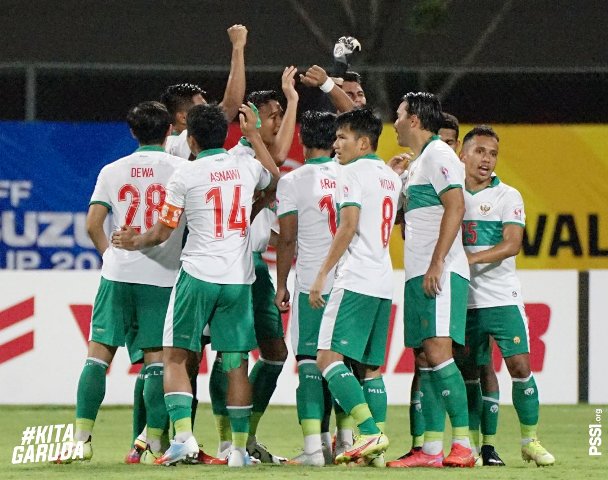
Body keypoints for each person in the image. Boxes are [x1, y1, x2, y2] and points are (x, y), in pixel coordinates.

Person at [112, 103, 280, 467]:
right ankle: (237, 451)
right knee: (235, 362)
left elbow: (163, 231)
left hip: (198, 275)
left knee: (175, 355)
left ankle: (184, 439)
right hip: (237, 279)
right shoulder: (247, 167)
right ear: (226, 135)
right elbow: (275, 176)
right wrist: (252, 136)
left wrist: (134, 241)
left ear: (191, 138)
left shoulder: (185, 175)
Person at [69, 101, 186, 463]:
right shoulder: (181, 169)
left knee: (97, 356)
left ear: (133, 132)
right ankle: (152, 445)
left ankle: (81, 440)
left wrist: (110, 256)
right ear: (169, 131)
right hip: (162, 277)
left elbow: (92, 224)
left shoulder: (112, 170)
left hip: (117, 274)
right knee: (156, 362)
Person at [208, 68, 299, 463]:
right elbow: (277, 158)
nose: (279, 123)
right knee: (230, 354)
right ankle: (227, 439)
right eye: (273, 114)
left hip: (257, 265)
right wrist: (294, 99)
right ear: (252, 119)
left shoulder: (254, 155)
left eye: (282, 114)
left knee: (275, 353)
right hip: (230, 265)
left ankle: (248, 437)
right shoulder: (238, 159)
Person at [459, 125, 555, 467]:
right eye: (481, 151)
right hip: (464, 299)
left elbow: (512, 244)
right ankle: (479, 447)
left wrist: (468, 258)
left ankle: (530, 440)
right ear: (463, 153)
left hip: (501, 296)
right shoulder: (450, 193)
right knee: (474, 372)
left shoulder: (507, 195)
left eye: (493, 153)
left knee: (519, 366)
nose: (487, 160)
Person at [309, 108, 400, 466]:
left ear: (363, 143)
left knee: (327, 359)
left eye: (342, 138)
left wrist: (321, 275)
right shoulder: (390, 176)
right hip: (382, 280)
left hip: (357, 278)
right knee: (370, 368)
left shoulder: (350, 172)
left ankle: (369, 431)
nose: (335, 145)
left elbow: (347, 226)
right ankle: (375, 454)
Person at [388, 92, 474, 468]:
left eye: (399, 115)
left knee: (439, 353)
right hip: (417, 272)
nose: (394, 122)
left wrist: (438, 262)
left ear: (415, 121)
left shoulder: (439, 155)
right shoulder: (419, 162)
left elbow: (457, 204)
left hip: (438, 270)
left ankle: (464, 445)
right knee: (425, 357)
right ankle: (431, 450)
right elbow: (396, 220)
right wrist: (393, 180)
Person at [273, 110, 340, 466]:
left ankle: (315, 449)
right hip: (351, 283)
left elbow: (287, 240)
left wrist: (281, 284)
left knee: (310, 364)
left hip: (313, 284)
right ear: (335, 142)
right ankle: (345, 444)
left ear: (302, 140)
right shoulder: (350, 174)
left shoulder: (292, 180)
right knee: (346, 364)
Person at [163, 24, 247, 159]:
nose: (208, 113)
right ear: (183, 118)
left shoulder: (173, 141)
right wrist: (238, 46)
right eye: (201, 108)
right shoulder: (174, 143)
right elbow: (232, 103)